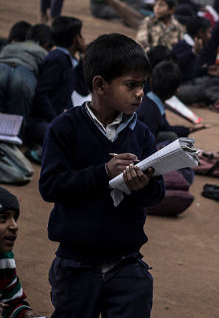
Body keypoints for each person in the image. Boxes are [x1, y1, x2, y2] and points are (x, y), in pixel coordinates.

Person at [38, 32, 165, 318]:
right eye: (131, 85)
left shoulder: (141, 133)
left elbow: (157, 193)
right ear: (100, 85)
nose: (140, 93)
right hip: (76, 262)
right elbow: (50, 186)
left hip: (127, 260)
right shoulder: (64, 128)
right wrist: (103, 173)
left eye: (142, 84)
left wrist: (143, 186)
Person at [25, 17, 87, 146]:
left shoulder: (70, 62)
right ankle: (37, 153)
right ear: (77, 39)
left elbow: (83, 90)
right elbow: (40, 95)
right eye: (82, 34)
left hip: (49, 120)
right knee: (72, 139)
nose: (84, 38)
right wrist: (57, 120)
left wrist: (83, 60)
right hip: (37, 122)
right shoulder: (57, 60)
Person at [137, 60, 208, 144]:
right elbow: (144, 145)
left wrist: (190, 129)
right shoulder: (152, 113)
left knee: (171, 136)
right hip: (133, 148)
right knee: (173, 141)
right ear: (175, 92)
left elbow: (166, 128)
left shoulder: (147, 102)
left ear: (151, 80)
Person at [0, 24, 52, 137]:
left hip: (1, 69)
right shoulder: (44, 53)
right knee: (14, 126)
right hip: (24, 76)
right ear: (46, 45)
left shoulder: (10, 45)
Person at [0, 187, 42, 317]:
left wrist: (25, 313)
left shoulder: (5, 261)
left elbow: (12, 303)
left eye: (15, 218)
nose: (14, 226)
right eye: (3, 218)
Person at [173, 16, 211, 82]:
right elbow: (177, 64)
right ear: (201, 32)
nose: (210, 36)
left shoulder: (204, 47)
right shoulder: (181, 45)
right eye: (209, 32)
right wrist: (193, 53)